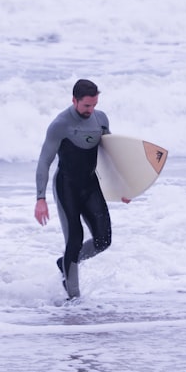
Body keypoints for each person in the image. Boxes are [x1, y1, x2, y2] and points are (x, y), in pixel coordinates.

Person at [35, 79, 128, 299]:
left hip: (90, 185)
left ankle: (66, 263)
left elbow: (109, 155)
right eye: (87, 105)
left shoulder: (101, 119)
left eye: (94, 105)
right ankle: (73, 299)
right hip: (67, 186)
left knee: (103, 240)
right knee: (74, 240)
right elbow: (43, 162)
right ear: (74, 100)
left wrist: (122, 187)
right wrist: (40, 199)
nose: (91, 110)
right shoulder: (60, 124)